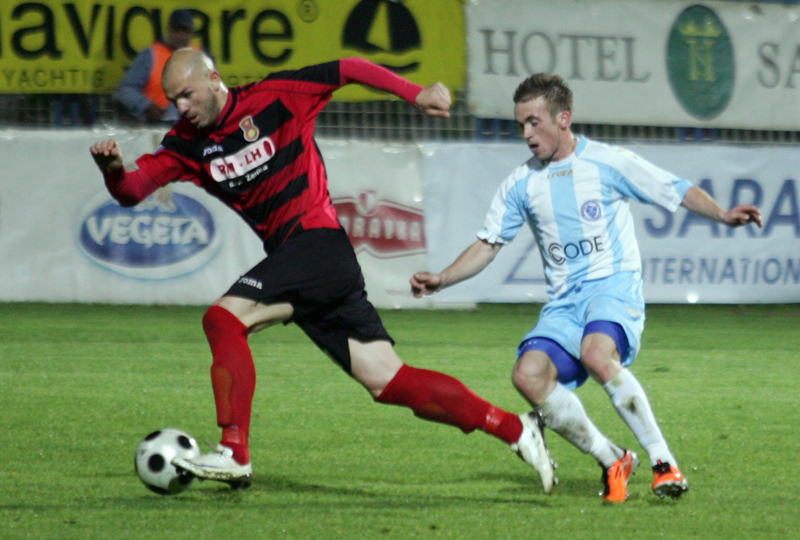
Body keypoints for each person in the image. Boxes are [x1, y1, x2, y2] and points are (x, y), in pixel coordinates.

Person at [90, 49, 558, 492]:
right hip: (303, 263)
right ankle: (516, 429)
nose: (182, 107)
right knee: (388, 381)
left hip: (318, 245)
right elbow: (131, 191)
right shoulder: (186, 145)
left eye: (188, 94)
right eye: (173, 101)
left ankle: (234, 452)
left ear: (214, 80)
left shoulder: (276, 95)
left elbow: (348, 67)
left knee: (223, 320)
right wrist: (113, 170)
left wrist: (415, 93)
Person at [411, 73, 762, 502]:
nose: (526, 134)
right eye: (521, 124)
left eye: (534, 122)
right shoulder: (521, 183)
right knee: (529, 375)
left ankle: (663, 462)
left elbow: (675, 190)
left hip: (612, 285)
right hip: (565, 302)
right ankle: (613, 457)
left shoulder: (608, 163)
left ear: (563, 118)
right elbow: (489, 244)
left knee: (597, 354)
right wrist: (443, 278)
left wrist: (724, 216)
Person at [114, 10, 195, 125]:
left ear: (192, 33)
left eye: (186, 31)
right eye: (178, 30)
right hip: (157, 126)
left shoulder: (200, 57)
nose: (182, 36)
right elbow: (124, 89)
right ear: (169, 30)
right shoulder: (151, 55)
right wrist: (145, 106)